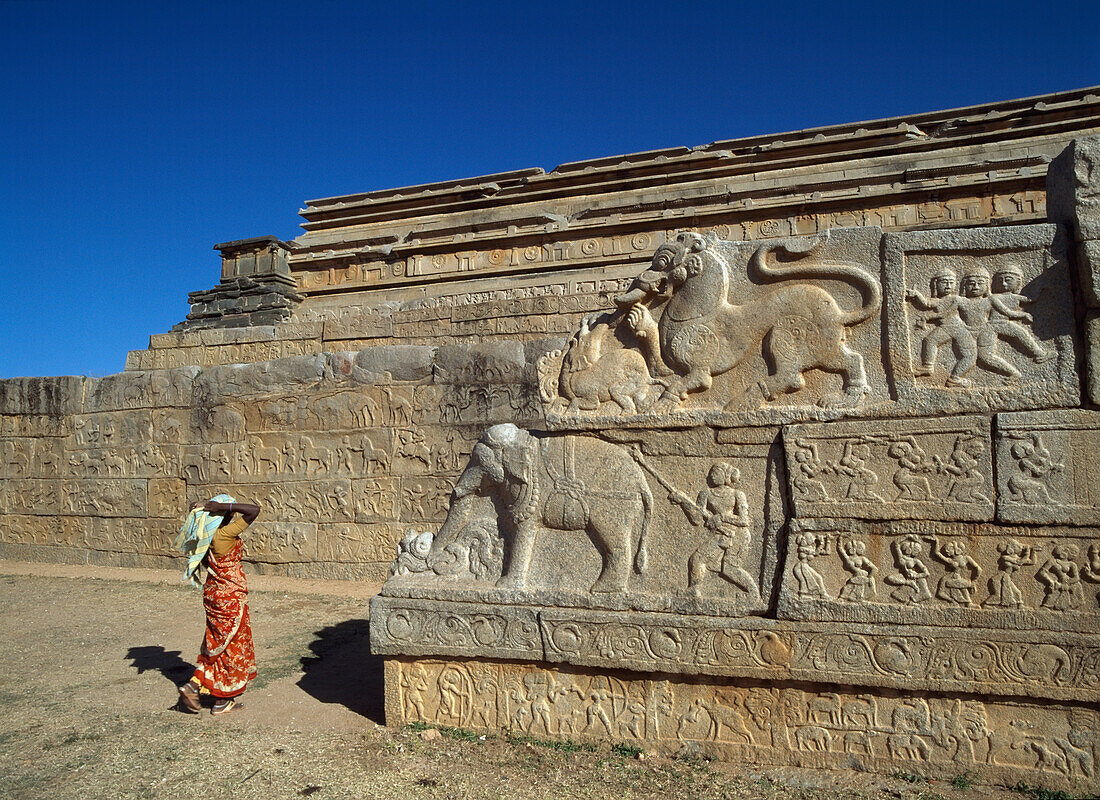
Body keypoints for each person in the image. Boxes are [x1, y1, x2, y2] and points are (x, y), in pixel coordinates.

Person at [174, 495, 261, 715]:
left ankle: (218, 698)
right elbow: (253, 510)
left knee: (216, 644)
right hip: (230, 596)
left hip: (213, 594)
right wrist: (225, 506)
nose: (232, 515)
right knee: (231, 647)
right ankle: (197, 686)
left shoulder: (204, 537)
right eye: (229, 513)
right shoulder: (224, 534)